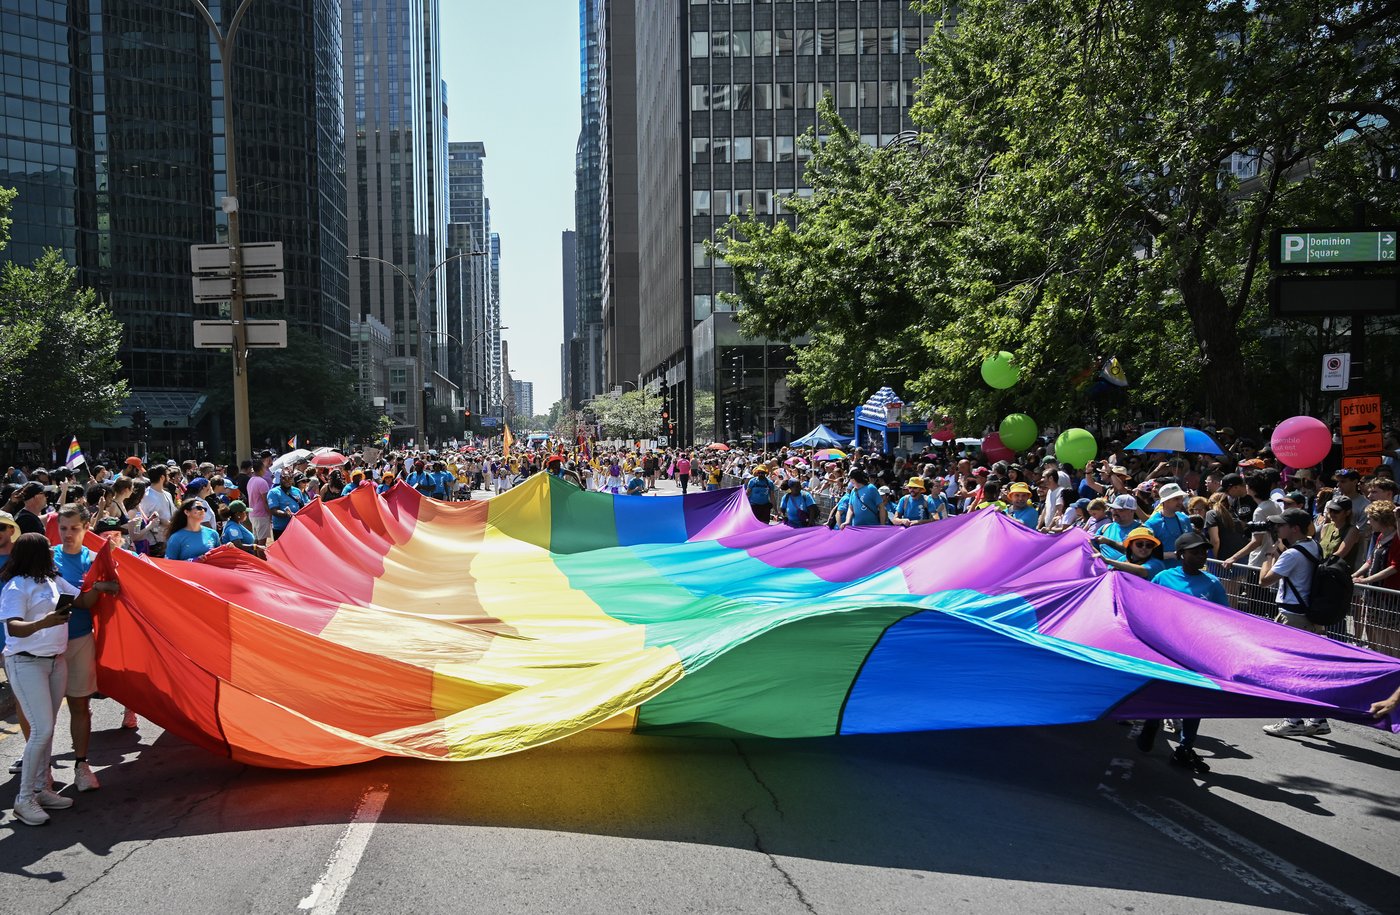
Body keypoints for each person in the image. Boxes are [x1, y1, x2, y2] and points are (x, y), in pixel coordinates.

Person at [3, 534, 114, 824]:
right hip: (27, 663)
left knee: (48, 729)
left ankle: (42, 789)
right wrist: (43, 622)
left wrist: (102, 586)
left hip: (55, 662)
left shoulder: (52, 581)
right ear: (35, 555)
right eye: (47, 552)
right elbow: (13, 627)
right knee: (41, 729)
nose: (53, 554)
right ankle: (24, 799)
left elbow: (83, 601)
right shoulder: (16, 586)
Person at [1133, 531, 1229, 774]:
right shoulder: (1164, 577)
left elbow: (1225, 618)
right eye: (1195, 552)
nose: (1201, 556)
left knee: (1193, 699)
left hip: (1198, 650)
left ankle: (1185, 747)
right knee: (1161, 688)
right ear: (1180, 555)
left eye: (1203, 552)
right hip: (1167, 648)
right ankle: (1153, 721)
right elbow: (1147, 608)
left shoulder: (1212, 583)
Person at [1259, 508, 1330, 738]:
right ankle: (1318, 719)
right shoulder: (1314, 546)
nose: (1278, 529)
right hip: (1311, 615)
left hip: (1293, 616)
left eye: (1281, 525)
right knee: (1309, 669)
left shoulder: (1291, 555)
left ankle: (1293, 720)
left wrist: (1269, 555)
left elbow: (1264, 581)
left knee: (1290, 669)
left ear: (1294, 528)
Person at [1098, 527, 1166, 580]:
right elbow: (1107, 572)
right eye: (1139, 544)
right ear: (1130, 545)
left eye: (1149, 545)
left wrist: (1108, 561)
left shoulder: (1157, 564)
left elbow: (1141, 571)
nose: (1144, 548)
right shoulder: (1123, 559)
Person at [267, 469, 309, 541]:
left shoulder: (297, 491)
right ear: (280, 478)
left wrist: (314, 501)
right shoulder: (273, 492)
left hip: (296, 527)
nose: (287, 480)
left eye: (290, 478)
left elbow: (302, 506)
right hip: (281, 529)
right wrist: (285, 514)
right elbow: (273, 510)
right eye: (284, 478)